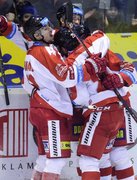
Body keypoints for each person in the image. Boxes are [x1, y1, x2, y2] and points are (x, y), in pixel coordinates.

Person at [22, 15, 106, 179]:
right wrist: (90, 66)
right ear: (38, 35)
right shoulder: (45, 50)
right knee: (57, 159)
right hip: (50, 112)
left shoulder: (31, 52)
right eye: (46, 28)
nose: (51, 30)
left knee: (44, 158)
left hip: (39, 108)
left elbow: (25, 83)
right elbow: (67, 77)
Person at [54, 26, 137, 180]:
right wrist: (119, 79)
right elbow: (130, 70)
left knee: (89, 160)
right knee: (115, 154)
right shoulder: (102, 48)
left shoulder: (72, 65)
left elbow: (79, 98)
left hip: (100, 112)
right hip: (121, 106)